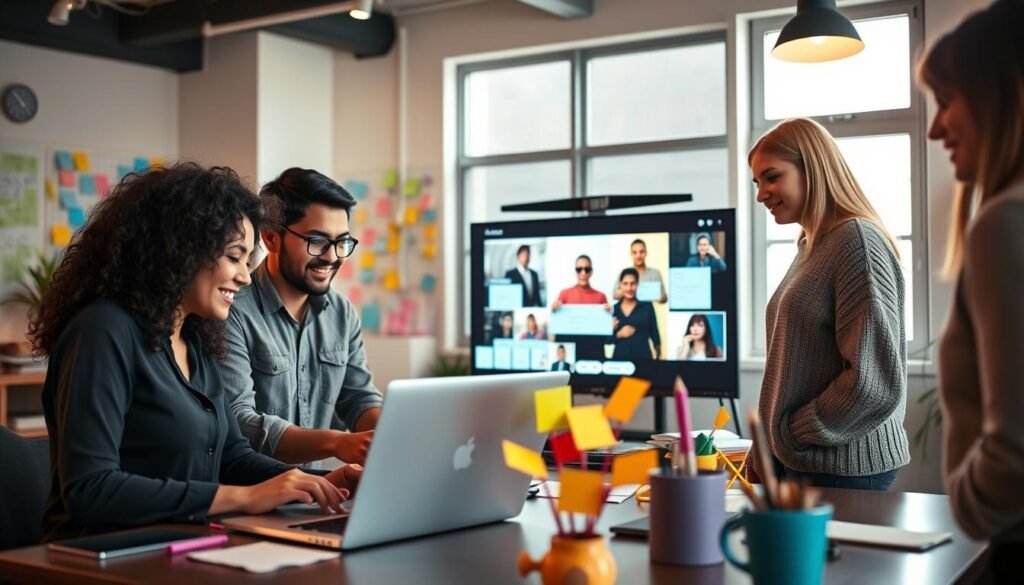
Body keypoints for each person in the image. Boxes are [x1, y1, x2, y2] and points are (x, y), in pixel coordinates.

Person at [29, 164, 358, 541]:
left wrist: (323, 482)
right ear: (181, 249)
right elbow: (90, 490)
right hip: (95, 558)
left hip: (182, 545)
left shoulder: (195, 339)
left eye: (247, 260)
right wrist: (242, 497)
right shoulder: (103, 330)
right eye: (234, 257)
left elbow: (233, 459)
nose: (245, 276)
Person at [919, 0, 1024, 573]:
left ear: (999, 95)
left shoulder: (1004, 223)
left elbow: (1014, 456)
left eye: (946, 102)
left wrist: (966, 502)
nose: (936, 128)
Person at [749, 117, 909, 490]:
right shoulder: (812, 244)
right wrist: (769, 448)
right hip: (806, 461)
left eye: (772, 177)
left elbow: (876, 383)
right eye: (757, 183)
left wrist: (792, 432)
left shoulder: (856, 241)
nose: (760, 195)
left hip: (843, 468)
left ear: (813, 169)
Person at [218, 168, 382, 468]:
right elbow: (239, 422)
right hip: (251, 497)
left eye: (342, 242)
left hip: (317, 495)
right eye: (317, 241)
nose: (332, 257)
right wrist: (336, 442)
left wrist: (392, 429)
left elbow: (358, 400)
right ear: (271, 238)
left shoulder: (342, 314)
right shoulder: (231, 310)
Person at [611, 268, 661, 360]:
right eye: (625, 284)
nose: (629, 288)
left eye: (633, 284)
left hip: (643, 359)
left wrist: (658, 353)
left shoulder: (647, 306)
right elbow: (606, 340)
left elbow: (654, 332)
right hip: (619, 361)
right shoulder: (614, 309)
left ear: (638, 285)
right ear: (620, 285)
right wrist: (619, 334)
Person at [612, 239, 667, 303]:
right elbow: (614, 295)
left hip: (648, 310)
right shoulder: (625, 273)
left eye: (641, 252)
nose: (638, 256)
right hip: (629, 311)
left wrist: (659, 297)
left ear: (646, 253)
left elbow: (664, 298)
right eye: (635, 252)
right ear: (631, 254)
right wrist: (627, 290)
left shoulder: (655, 273)